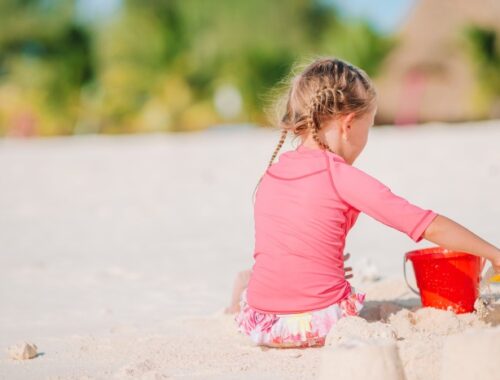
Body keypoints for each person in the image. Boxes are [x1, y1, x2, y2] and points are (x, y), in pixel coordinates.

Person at [225, 56, 500, 348]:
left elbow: (289, 239)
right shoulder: (339, 175)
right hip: (321, 321)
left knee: (251, 279)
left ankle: (236, 303)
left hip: (264, 323)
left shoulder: (272, 173)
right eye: (368, 128)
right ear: (348, 124)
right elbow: (425, 224)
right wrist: (493, 254)